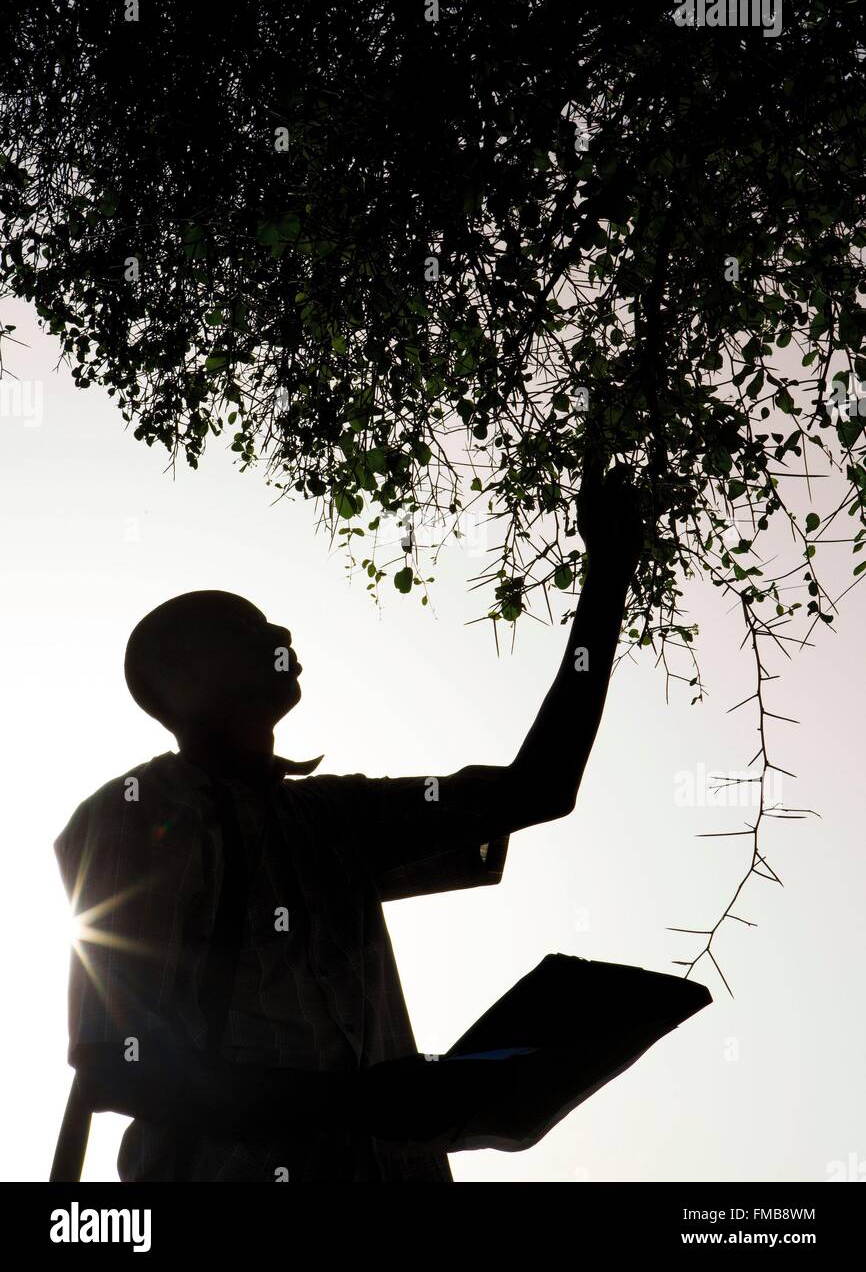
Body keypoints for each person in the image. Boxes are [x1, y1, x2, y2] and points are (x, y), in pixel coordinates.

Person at [53, 461, 645, 1181]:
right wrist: (355, 1105)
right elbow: (118, 1064)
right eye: (245, 629)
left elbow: (538, 789)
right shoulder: (136, 814)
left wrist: (609, 574)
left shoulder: (335, 816)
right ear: (183, 676)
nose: (278, 629)